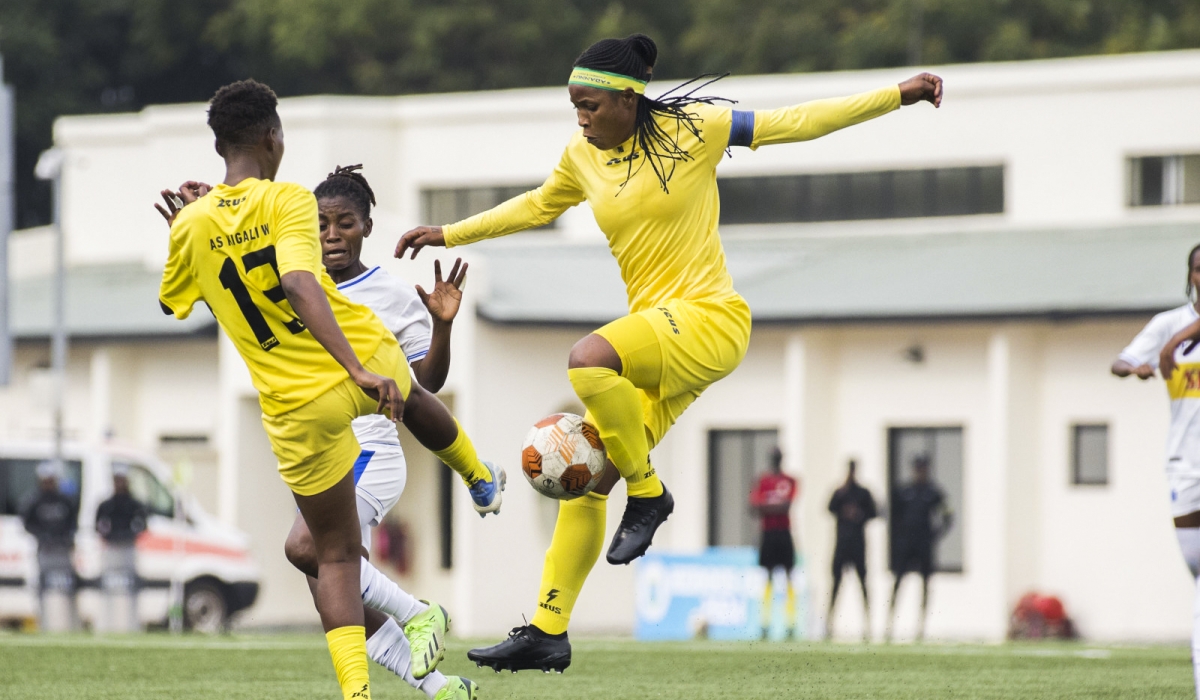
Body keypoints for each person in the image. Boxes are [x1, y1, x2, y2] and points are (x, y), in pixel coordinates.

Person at [396, 33, 941, 672]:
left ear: (629, 98)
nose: (580, 116)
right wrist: (450, 232)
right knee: (590, 475)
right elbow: (538, 205)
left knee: (588, 359)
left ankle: (649, 494)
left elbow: (797, 124)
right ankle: (548, 630)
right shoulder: (582, 156)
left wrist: (896, 96)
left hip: (711, 321)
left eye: (590, 104)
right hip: (660, 335)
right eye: (573, 105)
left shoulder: (697, 129)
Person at [156, 80, 500, 700]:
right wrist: (355, 369)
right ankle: (435, 678)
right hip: (350, 363)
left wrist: (194, 225)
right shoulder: (286, 200)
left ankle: (473, 489)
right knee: (317, 559)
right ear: (273, 137)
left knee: (327, 553)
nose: (331, 232)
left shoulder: (193, 226)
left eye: (344, 223)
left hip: (292, 403)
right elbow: (295, 279)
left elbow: (183, 299)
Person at [1116, 242, 1200, 699]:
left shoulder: (1178, 333)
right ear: (1189, 275)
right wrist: (1136, 365)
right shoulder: (1166, 322)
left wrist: (1176, 344)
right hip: (1186, 469)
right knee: (1197, 569)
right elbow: (1120, 361)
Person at [884, 455, 951, 642]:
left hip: (923, 545)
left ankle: (921, 626)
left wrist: (936, 534)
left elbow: (948, 514)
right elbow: (892, 515)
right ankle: (889, 624)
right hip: (906, 544)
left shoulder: (933, 492)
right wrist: (898, 537)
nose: (920, 472)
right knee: (898, 582)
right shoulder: (904, 491)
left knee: (925, 584)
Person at [20, 460, 79, 630]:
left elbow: (72, 523)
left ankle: (70, 623)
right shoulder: (34, 500)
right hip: (45, 550)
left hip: (62, 551)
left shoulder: (64, 500)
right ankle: (45, 622)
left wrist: (65, 539)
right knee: (44, 587)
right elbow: (27, 523)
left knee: (66, 586)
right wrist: (43, 536)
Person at [749, 447, 799, 639]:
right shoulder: (762, 480)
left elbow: (785, 506)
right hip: (768, 533)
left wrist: (767, 506)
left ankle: (790, 623)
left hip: (782, 532)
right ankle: (765, 623)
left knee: (787, 577)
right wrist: (774, 507)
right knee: (769, 577)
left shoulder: (789, 480)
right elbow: (753, 508)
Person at [826, 459, 877, 641]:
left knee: (862, 582)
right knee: (836, 583)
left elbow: (874, 512)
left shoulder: (863, 493)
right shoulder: (840, 492)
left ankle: (868, 623)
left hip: (858, 544)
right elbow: (829, 508)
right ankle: (829, 623)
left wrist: (859, 514)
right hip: (842, 543)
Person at [95, 463, 149, 632]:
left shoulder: (134, 505)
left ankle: (131, 625)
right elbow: (98, 525)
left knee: (129, 588)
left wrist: (128, 535)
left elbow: (142, 525)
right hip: (111, 549)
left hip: (127, 549)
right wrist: (110, 536)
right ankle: (107, 625)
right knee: (109, 588)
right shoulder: (106, 505)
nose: (119, 483)